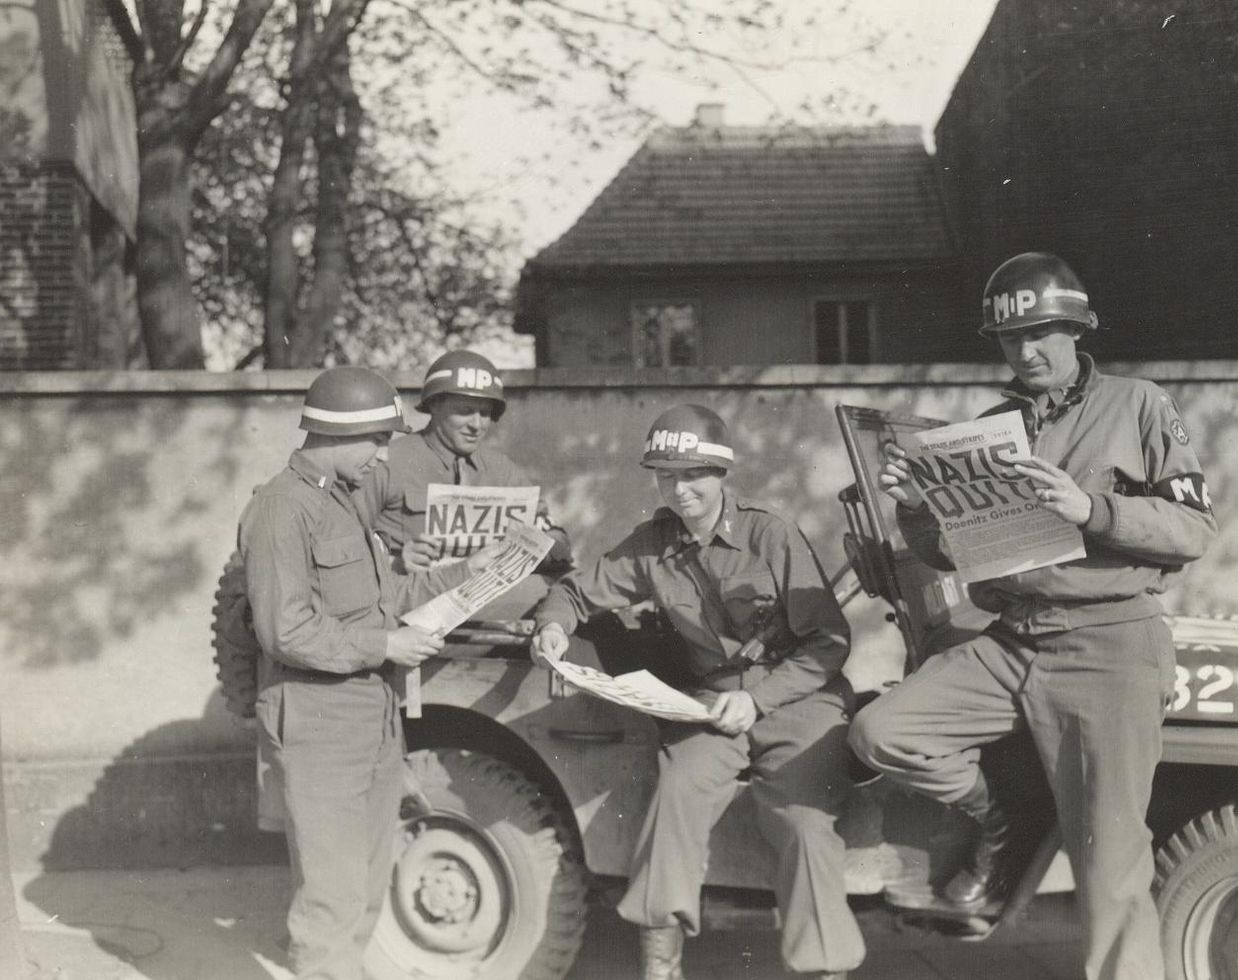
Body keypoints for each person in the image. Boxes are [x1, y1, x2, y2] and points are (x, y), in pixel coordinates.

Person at [849, 252, 1217, 980]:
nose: (1028, 350)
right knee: (882, 730)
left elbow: (1195, 530)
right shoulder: (992, 425)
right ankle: (1004, 816)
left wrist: (1093, 510)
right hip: (1013, 641)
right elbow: (955, 555)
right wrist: (918, 508)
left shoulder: (1137, 404)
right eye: (1013, 339)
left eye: (1046, 333)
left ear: (1077, 331)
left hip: (1108, 646)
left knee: (1109, 871)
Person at [529, 404, 865, 980]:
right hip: (712, 706)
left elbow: (829, 641)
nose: (679, 490)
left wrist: (759, 700)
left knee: (805, 825)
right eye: (667, 476)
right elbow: (577, 593)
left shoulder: (769, 534)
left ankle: (822, 970)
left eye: (692, 476)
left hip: (799, 702)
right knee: (676, 792)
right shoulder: (654, 543)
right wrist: (552, 627)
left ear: (721, 474)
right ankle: (662, 968)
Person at [239, 366, 496, 980]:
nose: (385, 457)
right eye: (379, 441)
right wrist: (384, 646)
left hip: (370, 716)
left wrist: (472, 569)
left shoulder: (344, 501)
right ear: (339, 434)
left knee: (366, 884)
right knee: (331, 895)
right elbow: (284, 629)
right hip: (317, 715)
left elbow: (388, 598)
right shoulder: (282, 508)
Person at [357, 349, 570, 584]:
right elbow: (341, 543)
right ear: (434, 405)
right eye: (465, 411)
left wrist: (540, 547)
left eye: (485, 413)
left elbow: (555, 537)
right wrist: (394, 562)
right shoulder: (388, 462)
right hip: (412, 598)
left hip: (492, 600)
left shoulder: (503, 470)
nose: (477, 425)